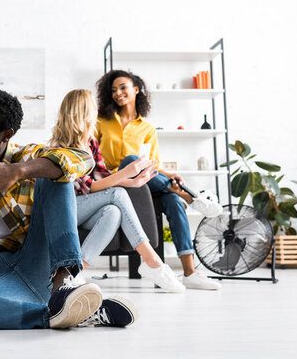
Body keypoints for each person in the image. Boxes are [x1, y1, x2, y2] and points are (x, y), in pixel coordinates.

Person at [0, 89, 136, 330]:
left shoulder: (26, 155)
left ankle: (63, 287)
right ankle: (65, 313)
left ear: (6, 135)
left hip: (32, 260)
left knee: (57, 172)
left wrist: (17, 171)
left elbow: (83, 160)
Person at [95, 70, 222, 290]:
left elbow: (152, 164)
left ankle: (189, 272)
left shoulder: (147, 128)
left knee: (172, 202)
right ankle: (190, 196)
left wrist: (167, 175)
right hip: (114, 181)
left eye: (123, 87)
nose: (118, 93)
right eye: (113, 90)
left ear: (136, 89)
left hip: (142, 183)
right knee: (131, 160)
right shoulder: (100, 122)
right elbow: (94, 159)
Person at [50, 89, 185, 294]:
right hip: (64, 210)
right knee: (117, 195)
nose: (95, 114)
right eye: (92, 110)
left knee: (113, 211)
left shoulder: (90, 143)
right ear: (83, 112)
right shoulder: (59, 147)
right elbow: (88, 186)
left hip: (84, 207)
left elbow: (101, 178)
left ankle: (75, 273)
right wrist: (127, 173)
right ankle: (151, 261)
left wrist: (132, 181)